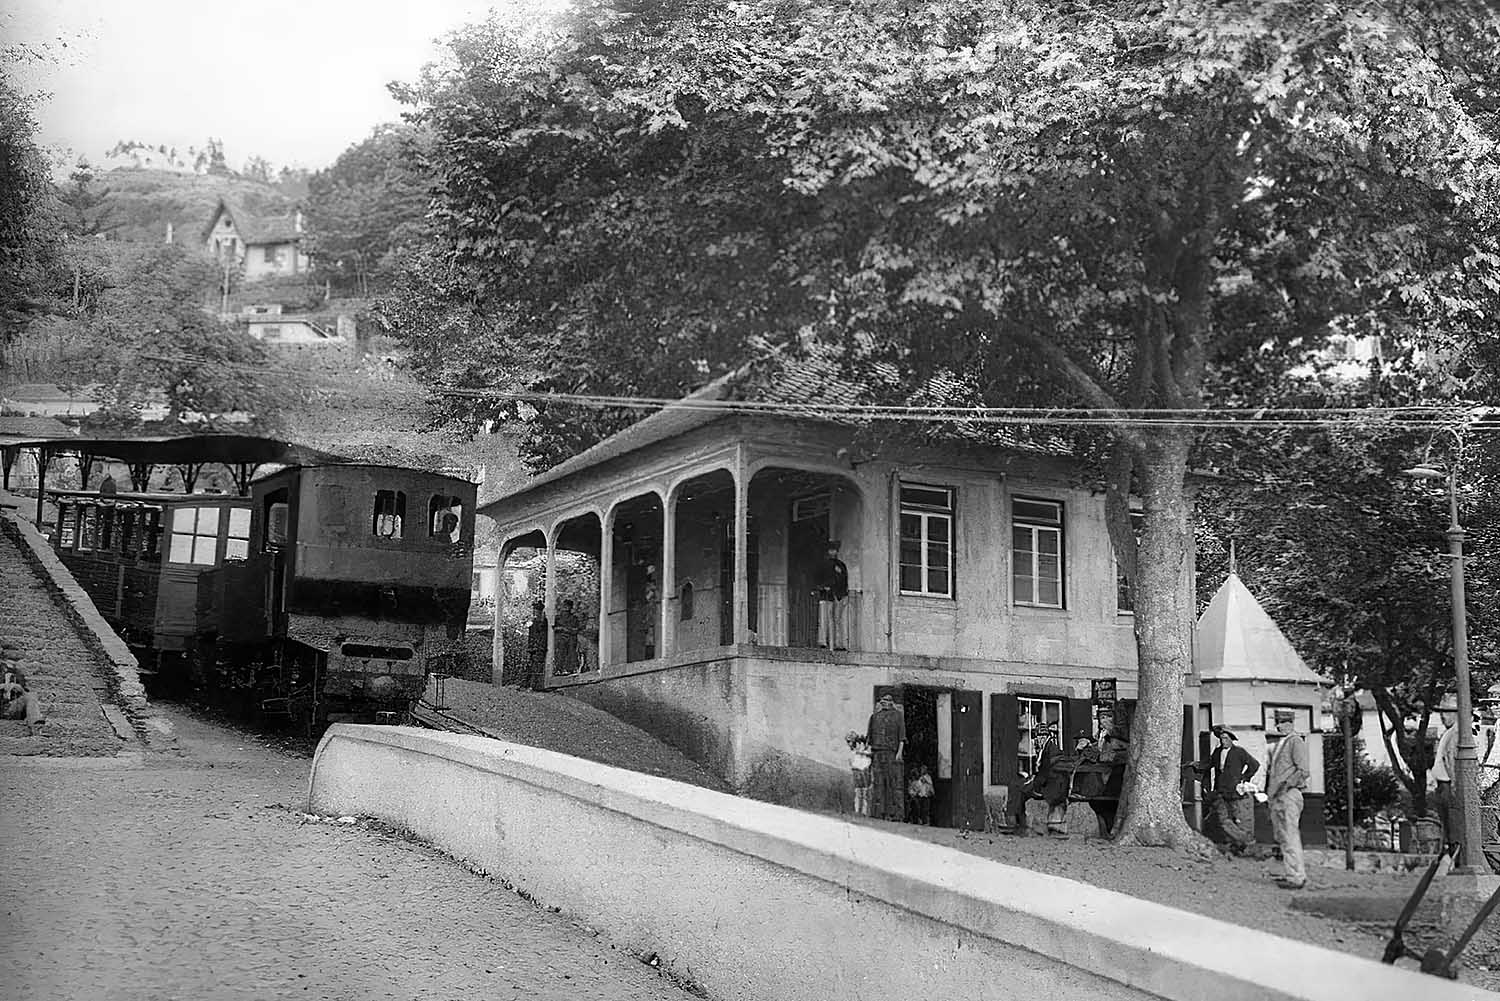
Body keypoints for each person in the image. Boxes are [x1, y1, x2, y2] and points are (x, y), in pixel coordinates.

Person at [1192, 726, 1260, 854]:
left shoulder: (1239, 752)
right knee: (1223, 820)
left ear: (1231, 739)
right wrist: (1195, 765)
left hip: (1236, 792)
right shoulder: (1217, 752)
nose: (1223, 741)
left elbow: (1254, 765)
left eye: (1226, 738)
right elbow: (1209, 764)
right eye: (1221, 738)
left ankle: (1243, 845)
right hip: (1221, 792)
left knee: (1239, 820)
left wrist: (1244, 779)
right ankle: (1241, 842)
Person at [1266, 708, 1311, 889]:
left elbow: (1304, 770)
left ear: (1291, 723)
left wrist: (1286, 785)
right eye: (1278, 721)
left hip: (1288, 794)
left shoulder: (1295, 741)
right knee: (1284, 837)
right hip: (1279, 795)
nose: (1279, 725)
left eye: (1283, 722)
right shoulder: (1282, 743)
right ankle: (1292, 873)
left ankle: (1296, 876)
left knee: (1290, 835)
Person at [1001, 723, 1061, 835]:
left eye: (1043, 736)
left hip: (1047, 785)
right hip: (1046, 782)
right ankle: (1019, 821)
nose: (1041, 739)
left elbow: (1046, 772)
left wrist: (1032, 780)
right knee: (1017, 787)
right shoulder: (1046, 748)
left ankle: (1012, 821)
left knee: (1016, 787)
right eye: (1039, 736)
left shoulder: (1051, 749)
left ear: (1048, 736)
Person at [866, 692, 906, 822]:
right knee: (878, 783)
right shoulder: (874, 717)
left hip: (891, 753)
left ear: (891, 701)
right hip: (877, 752)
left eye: (886, 700)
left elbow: (901, 737)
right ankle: (878, 813)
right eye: (882, 700)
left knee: (892, 783)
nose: (883, 702)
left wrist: (899, 753)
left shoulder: (898, 716)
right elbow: (869, 737)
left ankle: (894, 814)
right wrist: (868, 752)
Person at [1430, 694, 1460, 850]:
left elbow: (1453, 765)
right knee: (1447, 828)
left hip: (1449, 786)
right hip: (1443, 786)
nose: (1443, 716)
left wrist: (1455, 791)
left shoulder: (1456, 734)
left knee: (1453, 828)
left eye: (1447, 712)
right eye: (1442, 712)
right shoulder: (1448, 733)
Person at [814, 540, 850, 651]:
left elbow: (844, 581)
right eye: (831, 549)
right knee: (824, 618)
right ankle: (822, 642)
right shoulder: (822, 565)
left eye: (834, 550)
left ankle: (839, 643)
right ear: (827, 551)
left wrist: (843, 593)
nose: (833, 552)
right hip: (825, 595)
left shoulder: (841, 565)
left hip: (838, 595)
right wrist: (822, 587)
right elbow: (817, 580)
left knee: (838, 620)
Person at [2, 668, 44, 736]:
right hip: (2, 707)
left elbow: (26, 693)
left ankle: (35, 724)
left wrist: (20, 689)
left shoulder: (18, 675)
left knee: (31, 696)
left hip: (14, 706)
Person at [847, 732, 873, 817]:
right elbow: (851, 761)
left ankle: (864, 811)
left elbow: (869, 755)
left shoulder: (864, 750)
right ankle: (858, 810)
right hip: (858, 769)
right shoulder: (854, 752)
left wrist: (862, 753)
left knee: (864, 792)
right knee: (858, 791)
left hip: (863, 769)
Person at [553, 600, 581, 676]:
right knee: (560, 653)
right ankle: (559, 669)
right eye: (564, 606)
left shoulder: (574, 618)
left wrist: (568, 630)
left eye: (568, 606)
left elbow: (576, 629)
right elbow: (553, 628)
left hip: (570, 639)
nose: (566, 608)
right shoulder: (558, 618)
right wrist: (560, 629)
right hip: (560, 639)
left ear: (570, 607)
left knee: (571, 652)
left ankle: (570, 669)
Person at [525, 601, 548, 689]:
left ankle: (536, 684)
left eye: (537, 611)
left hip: (539, 646)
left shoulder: (543, 622)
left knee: (538, 665)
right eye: (535, 611)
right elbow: (531, 634)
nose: (536, 613)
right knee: (531, 665)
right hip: (533, 646)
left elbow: (541, 634)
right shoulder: (534, 621)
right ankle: (530, 683)